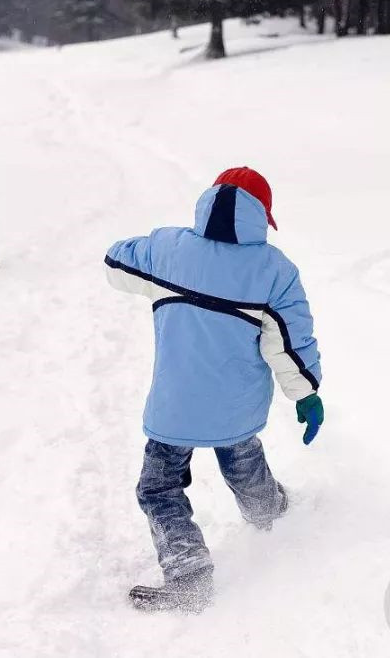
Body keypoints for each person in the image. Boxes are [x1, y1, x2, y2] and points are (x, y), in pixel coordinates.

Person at [104, 166, 325, 612]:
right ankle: (275, 517)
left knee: (159, 489)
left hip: (175, 409)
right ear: (262, 217)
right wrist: (306, 394)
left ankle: (188, 576)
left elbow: (115, 262)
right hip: (237, 410)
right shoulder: (275, 270)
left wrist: (172, 252)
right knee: (243, 465)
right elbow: (290, 341)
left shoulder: (167, 248)